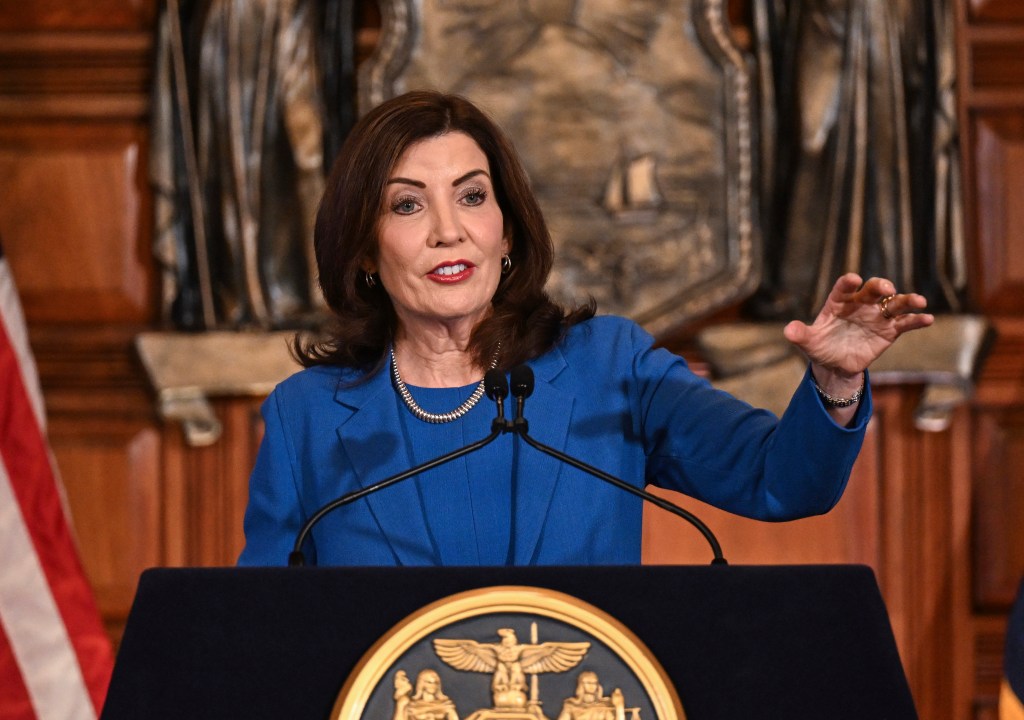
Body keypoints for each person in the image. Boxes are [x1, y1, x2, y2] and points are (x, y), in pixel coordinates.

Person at [237, 90, 933, 568]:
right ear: (363, 249)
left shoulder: (611, 369)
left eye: (472, 197)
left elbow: (783, 483)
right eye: (408, 206)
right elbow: (263, 632)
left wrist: (837, 379)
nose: (450, 232)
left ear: (506, 228)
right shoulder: (308, 416)